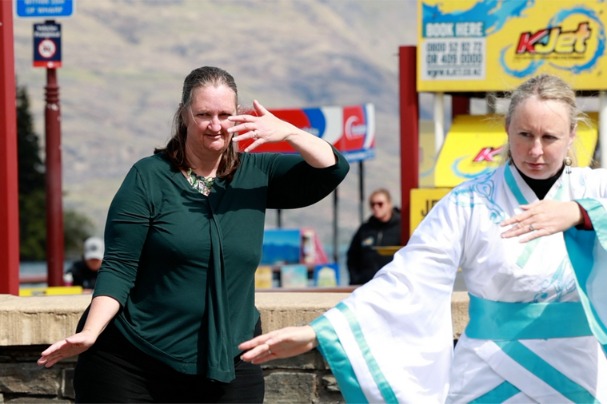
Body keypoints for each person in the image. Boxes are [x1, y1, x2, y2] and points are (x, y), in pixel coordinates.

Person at [238, 73, 607, 403]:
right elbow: (409, 277)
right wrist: (319, 331)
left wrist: (583, 213)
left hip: (578, 372)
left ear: (572, 135)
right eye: (525, 134)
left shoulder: (594, 189)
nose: (535, 150)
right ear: (507, 128)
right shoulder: (469, 200)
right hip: (487, 373)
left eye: (549, 137)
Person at [37, 66, 349, 403]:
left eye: (225, 115)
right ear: (184, 115)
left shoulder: (256, 174)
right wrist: (90, 332)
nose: (215, 125)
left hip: (229, 358)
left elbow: (332, 169)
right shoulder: (148, 177)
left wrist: (289, 132)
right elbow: (119, 265)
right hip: (133, 363)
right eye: (204, 114)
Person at [346, 188, 401, 285]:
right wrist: (356, 280)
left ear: (389, 204)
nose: (376, 207)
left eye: (380, 204)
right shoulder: (365, 229)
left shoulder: (401, 227)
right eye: (372, 204)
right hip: (366, 284)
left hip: (393, 284)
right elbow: (352, 256)